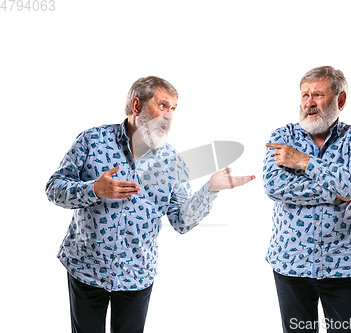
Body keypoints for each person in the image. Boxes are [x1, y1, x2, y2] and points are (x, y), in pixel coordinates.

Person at [46, 76, 255, 333]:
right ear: (137, 106)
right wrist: (94, 190)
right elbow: (54, 188)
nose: (169, 116)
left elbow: (181, 221)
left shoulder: (172, 161)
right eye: (163, 106)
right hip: (87, 268)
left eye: (173, 109)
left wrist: (211, 189)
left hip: (137, 275)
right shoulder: (92, 141)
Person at [263, 66, 351, 333]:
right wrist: (339, 192)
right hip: (290, 262)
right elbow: (274, 187)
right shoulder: (282, 137)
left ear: (341, 100)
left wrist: (304, 162)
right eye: (305, 95)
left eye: (318, 95)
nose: (309, 103)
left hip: (344, 263)